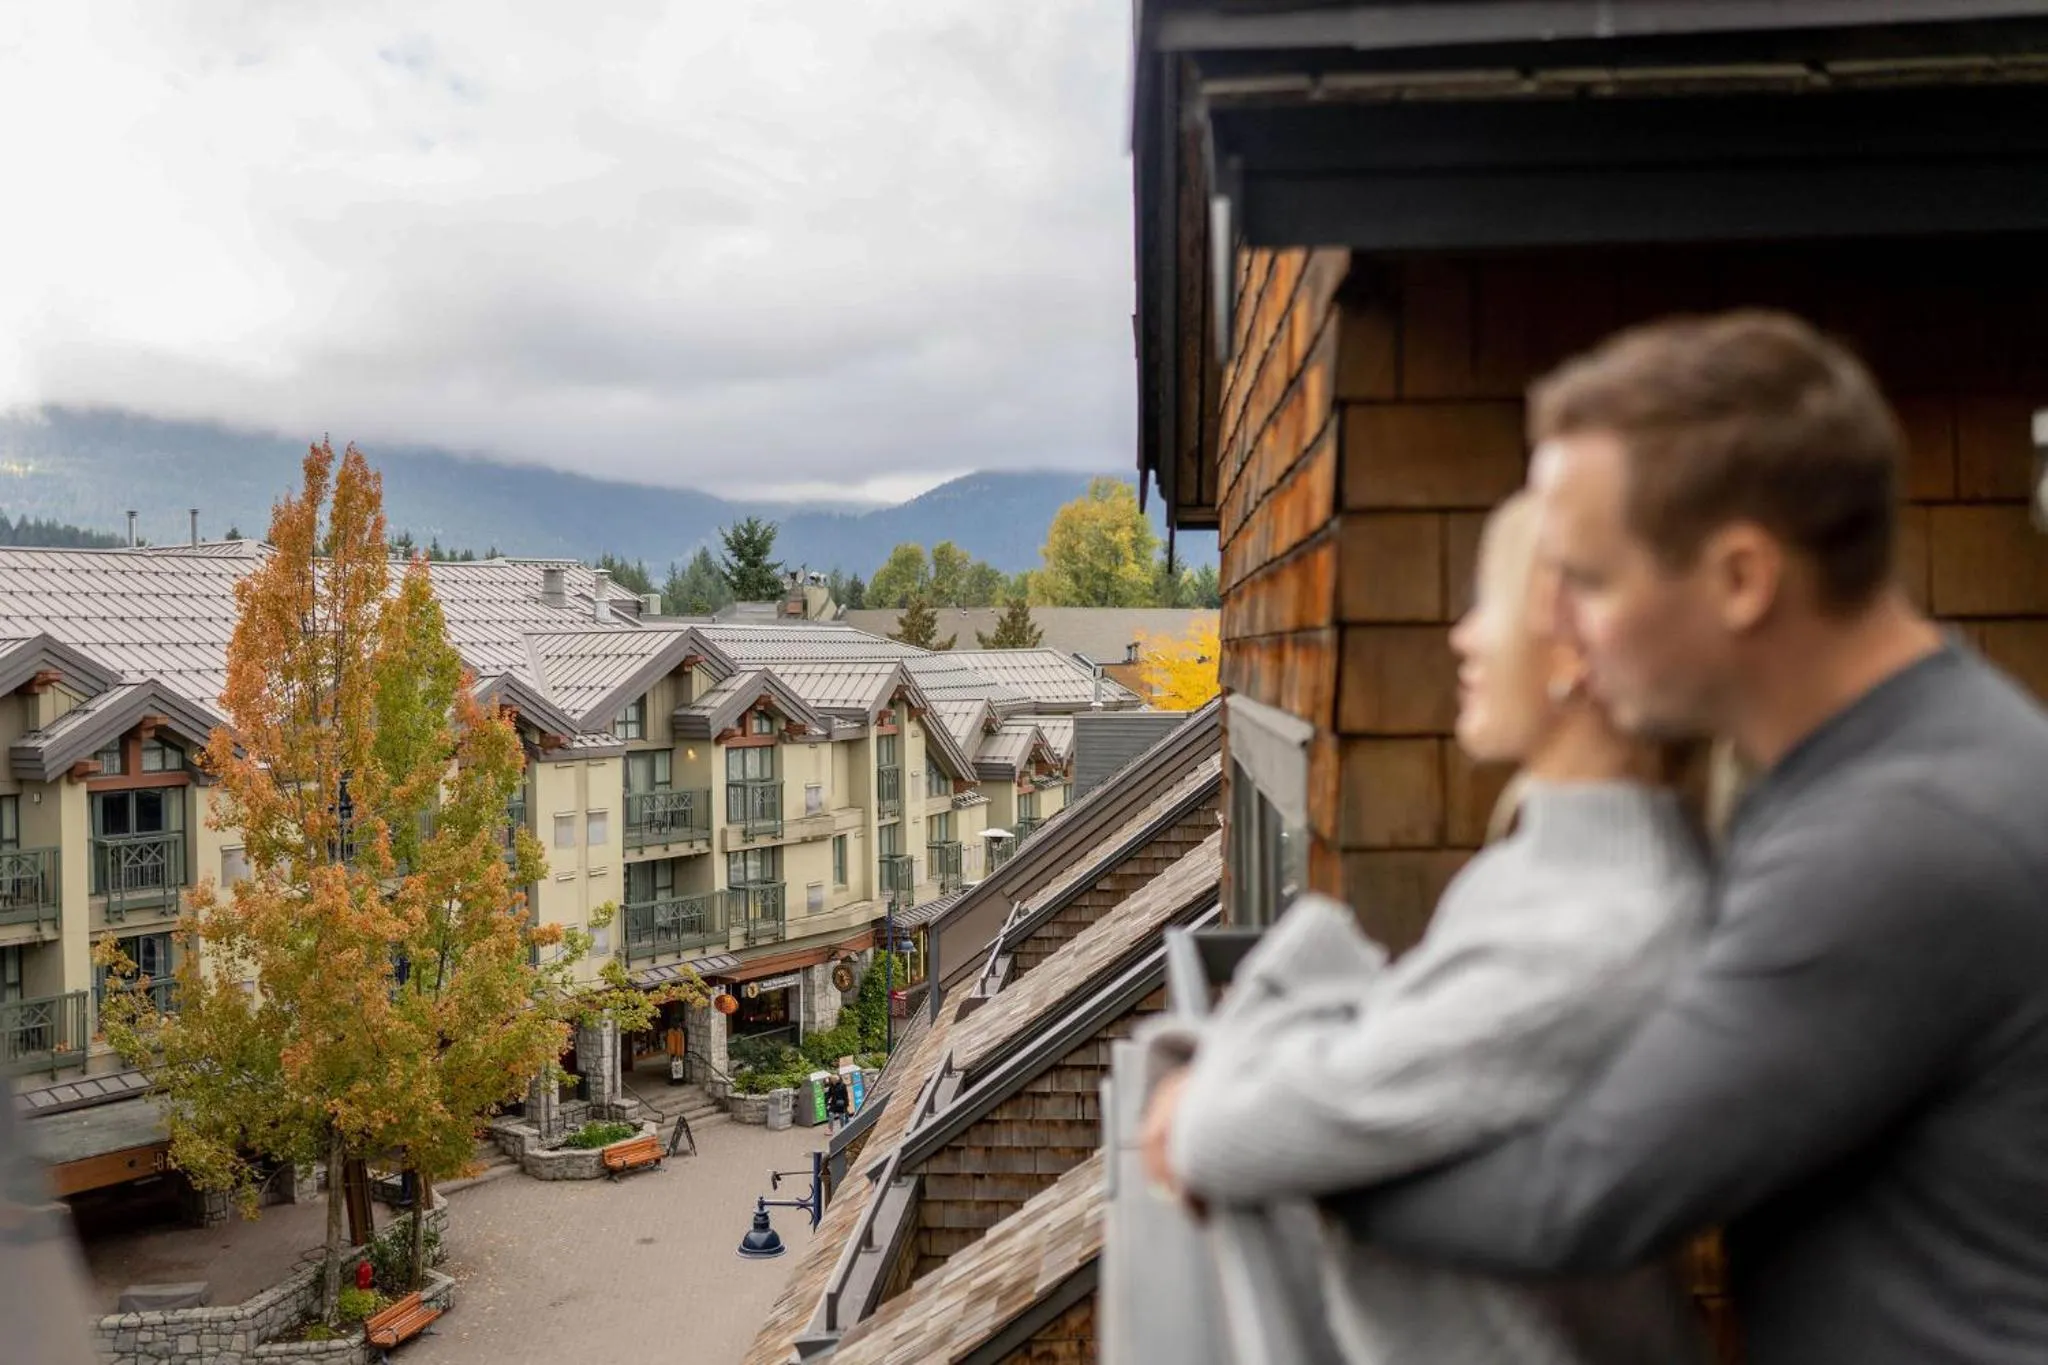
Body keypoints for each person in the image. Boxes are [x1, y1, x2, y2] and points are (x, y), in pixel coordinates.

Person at [1304, 311, 2048, 1365]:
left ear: (1740, 579)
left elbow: (1578, 1197)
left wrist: (1264, 1146)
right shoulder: (1880, 760)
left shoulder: (1898, 835)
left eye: (1593, 581)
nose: (1562, 624)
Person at [1140, 492, 1713, 1363]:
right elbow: (1360, 1069)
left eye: (1488, 601)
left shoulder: (1600, 942)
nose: (1462, 636)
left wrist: (1286, 1006)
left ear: (1576, 648)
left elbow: (1231, 1135)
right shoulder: (1532, 874)